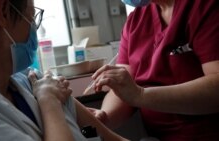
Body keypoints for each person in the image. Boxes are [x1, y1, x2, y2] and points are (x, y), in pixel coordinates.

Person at [0, 0, 129, 141]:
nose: (34, 29)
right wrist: (50, 103)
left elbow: (112, 139)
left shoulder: (35, 80)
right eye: (32, 17)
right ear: (3, 11)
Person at [90, 0, 219, 141]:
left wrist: (141, 95)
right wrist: (104, 117)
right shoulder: (135, 21)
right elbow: (123, 86)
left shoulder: (205, 8)